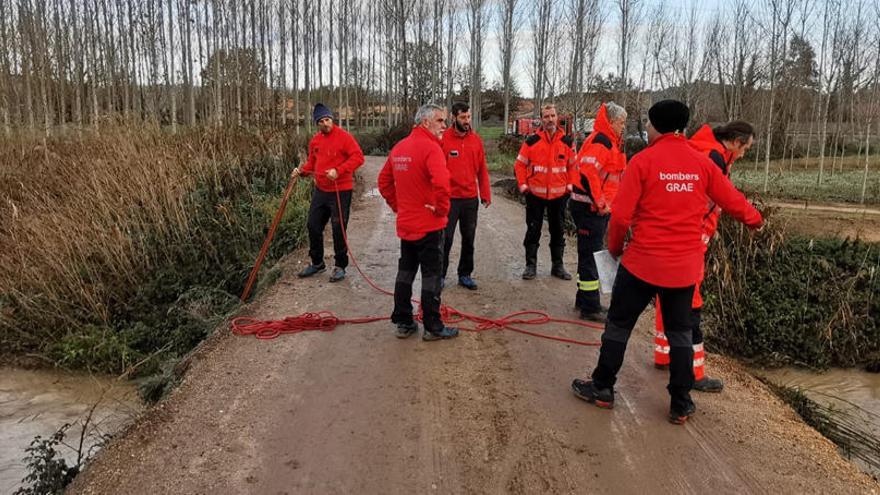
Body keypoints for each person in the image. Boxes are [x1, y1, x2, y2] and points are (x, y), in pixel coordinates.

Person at [570, 100, 763, 424]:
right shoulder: (702, 163)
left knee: (618, 326)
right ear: (682, 127)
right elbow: (732, 199)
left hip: (643, 263)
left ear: (655, 127)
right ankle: (680, 402)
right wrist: (756, 221)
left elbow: (620, 217)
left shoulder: (643, 161)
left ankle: (602, 387)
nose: (645, 129)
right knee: (681, 334)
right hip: (683, 269)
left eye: (647, 124)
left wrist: (615, 250)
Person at [653, 120, 755, 393]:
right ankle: (694, 373)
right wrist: (756, 220)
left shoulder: (697, 150)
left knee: (669, 294)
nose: (744, 154)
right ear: (735, 142)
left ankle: (663, 354)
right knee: (691, 304)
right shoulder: (713, 160)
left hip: (672, 234)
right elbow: (728, 198)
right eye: (746, 148)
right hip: (691, 240)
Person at [378, 103, 459, 341]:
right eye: (440, 120)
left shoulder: (399, 147)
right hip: (430, 226)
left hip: (407, 225)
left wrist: (398, 207)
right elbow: (443, 185)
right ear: (425, 122)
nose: (445, 125)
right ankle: (433, 326)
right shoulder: (431, 149)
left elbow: (383, 182)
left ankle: (403, 321)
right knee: (432, 276)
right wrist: (442, 211)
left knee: (405, 273)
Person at [291, 103, 365, 282]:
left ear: (332, 119)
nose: (326, 123)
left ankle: (340, 265)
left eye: (328, 119)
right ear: (317, 123)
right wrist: (301, 172)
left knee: (338, 228)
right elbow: (311, 164)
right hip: (321, 190)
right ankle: (317, 263)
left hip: (341, 191)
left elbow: (358, 157)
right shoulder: (315, 141)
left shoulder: (344, 137)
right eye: (322, 121)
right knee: (313, 225)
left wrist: (338, 171)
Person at [569, 102, 627, 322]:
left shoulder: (608, 141)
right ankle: (590, 307)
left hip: (592, 208)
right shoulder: (602, 141)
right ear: (611, 122)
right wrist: (601, 203)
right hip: (590, 208)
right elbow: (588, 173)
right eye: (621, 122)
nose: (623, 126)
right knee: (591, 257)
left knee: (589, 254)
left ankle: (583, 299)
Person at [514, 104, 575, 281]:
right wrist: (523, 186)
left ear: (558, 117)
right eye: (546, 116)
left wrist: (569, 186)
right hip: (535, 196)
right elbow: (519, 165)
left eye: (552, 116)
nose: (550, 119)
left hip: (559, 196)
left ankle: (558, 265)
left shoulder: (567, 142)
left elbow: (573, 167)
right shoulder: (531, 141)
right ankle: (530, 265)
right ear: (541, 119)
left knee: (558, 231)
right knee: (533, 230)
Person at [441, 102, 491, 290]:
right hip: (449, 199)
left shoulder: (475, 140)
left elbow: (482, 170)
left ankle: (465, 274)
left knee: (469, 238)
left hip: (470, 199)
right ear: (454, 118)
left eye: (468, 117)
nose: (467, 121)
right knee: (445, 239)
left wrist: (485, 194)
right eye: (463, 117)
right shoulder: (443, 139)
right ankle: (440, 275)